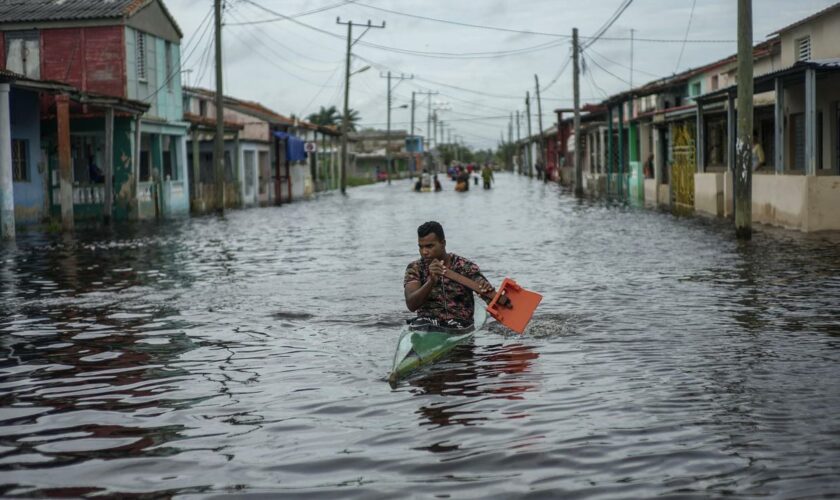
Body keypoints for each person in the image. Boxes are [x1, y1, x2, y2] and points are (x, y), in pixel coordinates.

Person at [404, 221, 496, 328]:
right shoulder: (415, 268)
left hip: (460, 324)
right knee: (420, 323)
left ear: (443, 243)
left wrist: (484, 286)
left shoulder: (464, 266)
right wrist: (431, 282)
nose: (424, 252)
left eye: (429, 246)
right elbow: (411, 304)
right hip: (427, 324)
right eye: (421, 247)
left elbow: (487, 294)